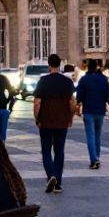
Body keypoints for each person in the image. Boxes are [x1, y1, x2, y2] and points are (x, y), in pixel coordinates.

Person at [33, 53, 76, 193]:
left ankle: (51, 175)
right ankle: (58, 182)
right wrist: (71, 117)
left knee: (46, 150)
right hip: (62, 121)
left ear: (49, 65)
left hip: (46, 120)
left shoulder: (43, 81)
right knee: (59, 151)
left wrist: (37, 118)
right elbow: (72, 103)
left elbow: (37, 103)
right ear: (60, 64)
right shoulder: (67, 82)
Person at [76, 59, 109, 170]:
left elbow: (79, 96)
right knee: (97, 135)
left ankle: (94, 160)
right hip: (100, 111)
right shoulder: (103, 79)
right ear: (97, 67)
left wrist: (78, 107)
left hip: (88, 110)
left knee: (90, 136)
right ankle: (97, 156)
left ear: (88, 67)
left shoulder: (84, 79)